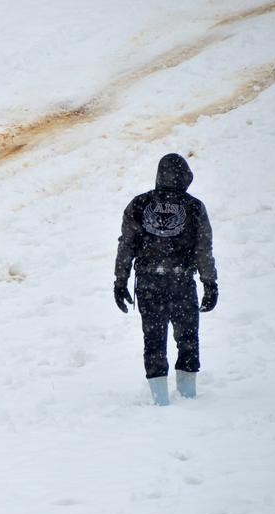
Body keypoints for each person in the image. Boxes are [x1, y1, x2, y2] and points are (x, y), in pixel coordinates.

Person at [113, 153, 218, 406]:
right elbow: (203, 249)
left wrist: (120, 280)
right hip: (182, 283)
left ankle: (160, 400)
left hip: (148, 284)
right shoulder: (194, 207)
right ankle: (188, 395)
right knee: (188, 339)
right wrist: (210, 283)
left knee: (154, 341)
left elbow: (126, 245)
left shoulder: (139, 204)